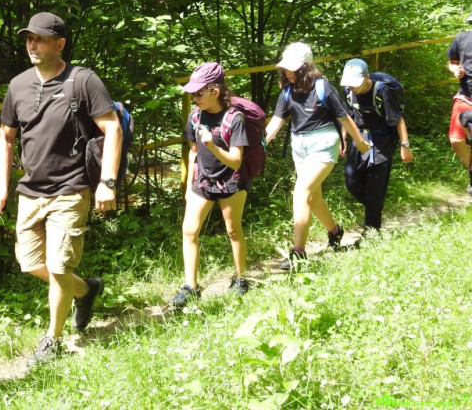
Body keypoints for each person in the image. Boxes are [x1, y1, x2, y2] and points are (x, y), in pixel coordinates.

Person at [0, 12, 122, 367]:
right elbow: (5, 136)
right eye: (29, 39)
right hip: (30, 191)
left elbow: (112, 129)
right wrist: (2, 184)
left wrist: (107, 182)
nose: (32, 45)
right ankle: (86, 289)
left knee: (59, 265)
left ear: (60, 44)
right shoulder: (18, 85)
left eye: (40, 39)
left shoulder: (83, 81)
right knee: (30, 263)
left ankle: (53, 339)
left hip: (71, 187)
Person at [265, 43, 370, 270]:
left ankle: (298, 252)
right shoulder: (287, 91)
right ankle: (335, 231)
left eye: (293, 68)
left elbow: (344, 118)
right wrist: (258, 144)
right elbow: (275, 122)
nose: (288, 72)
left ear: (307, 67)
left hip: (323, 143)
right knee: (313, 198)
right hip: (299, 146)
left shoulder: (323, 87)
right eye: (286, 68)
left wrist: (360, 143)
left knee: (301, 192)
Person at [170, 62, 250, 307]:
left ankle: (240, 278)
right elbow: (193, 152)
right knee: (189, 230)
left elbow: (236, 161)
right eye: (192, 93)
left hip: (231, 181)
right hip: (202, 181)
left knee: (233, 230)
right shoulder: (195, 116)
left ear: (215, 91)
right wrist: (188, 187)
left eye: (198, 93)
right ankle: (190, 287)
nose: (194, 98)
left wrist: (213, 146)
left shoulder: (234, 118)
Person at [340, 59, 413, 233]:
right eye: (349, 83)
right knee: (351, 182)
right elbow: (347, 117)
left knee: (375, 185)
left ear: (367, 77)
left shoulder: (382, 91)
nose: (351, 87)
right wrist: (343, 138)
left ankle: (371, 231)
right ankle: (375, 206)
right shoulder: (348, 91)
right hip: (359, 138)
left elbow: (397, 119)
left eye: (355, 83)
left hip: (381, 141)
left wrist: (405, 145)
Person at [446, 11, 472, 193]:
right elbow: (452, 62)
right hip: (465, 96)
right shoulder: (462, 38)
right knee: (456, 139)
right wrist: (455, 70)